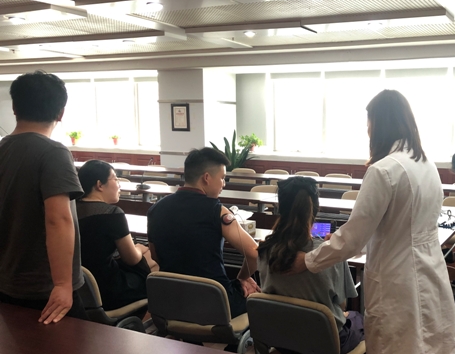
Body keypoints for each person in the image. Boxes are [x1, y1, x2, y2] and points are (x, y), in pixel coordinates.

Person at [289, 90, 455, 354]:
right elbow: (393, 226)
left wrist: (308, 260)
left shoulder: (384, 170)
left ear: (378, 124)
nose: (367, 130)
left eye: (368, 123)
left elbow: (353, 238)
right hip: (428, 276)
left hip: (396, 282)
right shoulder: (426, 165)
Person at [257, 176, 369, 354]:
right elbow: (342, 302)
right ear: (315, 210)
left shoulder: (265, 250)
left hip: (281, 341)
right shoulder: (328, 255)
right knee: (361, 319)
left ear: (280, 207)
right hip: (326, 346)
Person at [0, 71, 86, 324]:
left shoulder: (2, 149)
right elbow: (58, 219)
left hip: (7, 279)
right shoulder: (53, 152)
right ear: (61, 113)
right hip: (44, 287)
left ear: (14, 108)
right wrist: (62, 284)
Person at [147, 148, 260, 318]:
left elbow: (155, 256)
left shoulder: (155, 209)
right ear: (207, 178)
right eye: (222, 178)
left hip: (172, 302)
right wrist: (242, 278)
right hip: (215, 304)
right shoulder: (217, 211)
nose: (224, 184)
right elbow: (254, 253)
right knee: (257, 297)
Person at [77, 160, 157, 311]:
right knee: (153, 260)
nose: (119, 185)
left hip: (78, 287)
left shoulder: (70, 209)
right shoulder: (112, 214)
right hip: (108, 290)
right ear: (99, 185)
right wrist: (139, 248)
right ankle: (155, 319)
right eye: (115, 179)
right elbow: (132, 259)